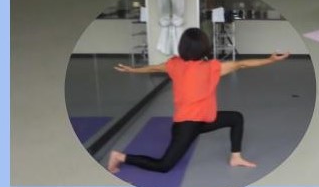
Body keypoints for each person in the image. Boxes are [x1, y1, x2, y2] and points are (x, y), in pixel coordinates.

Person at [106, 28, 290, 173]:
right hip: (187, 126)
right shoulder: (212, 67)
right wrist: (271, 60)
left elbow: (153, 68)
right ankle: (120, 157)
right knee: (163, 166)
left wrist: (132, 70)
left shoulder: (174, 64)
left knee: (236, 117)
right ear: (204, 47)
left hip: (201, 120)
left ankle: (236, 157)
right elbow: (242, 64)